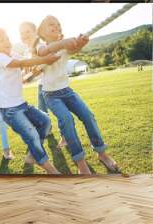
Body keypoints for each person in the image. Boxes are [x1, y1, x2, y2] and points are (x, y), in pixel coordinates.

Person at [35, 16, 119, 174]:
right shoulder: (40, 47)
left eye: (58, 24)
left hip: (67, 91)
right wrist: (63, 42)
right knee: (66, 120)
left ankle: (102, 153)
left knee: (88, 116)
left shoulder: (64, 46)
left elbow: (74, 49)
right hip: (51, 95)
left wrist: (82, 42)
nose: (56, 26)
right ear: (42, 32)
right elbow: (43, 51)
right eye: (51, 24)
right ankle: (81, 163)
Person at [0, 28, 61, 174]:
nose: (7, 41)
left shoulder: (12, 54)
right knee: (31, 135)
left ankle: (32, 155)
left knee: (45, 121)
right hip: (10, 110)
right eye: (1, 40)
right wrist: (44, 60)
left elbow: (27, 62)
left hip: (21, 104)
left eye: (7, 37)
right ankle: (52, 171)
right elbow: (21, 63)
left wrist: (38, 64)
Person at [18, 21, 67, 148]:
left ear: (35, 32)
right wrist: (26, 76)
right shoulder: (27, 51)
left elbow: (46, 63)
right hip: (42, 84)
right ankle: (48, 129)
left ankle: (64, 136)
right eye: (22, 33)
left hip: (52, 85)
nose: (25, 35)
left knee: (58, 111)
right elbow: (31, 69)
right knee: (42, 110)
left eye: (28, 31)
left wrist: (35, 70)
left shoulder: (40, 45)